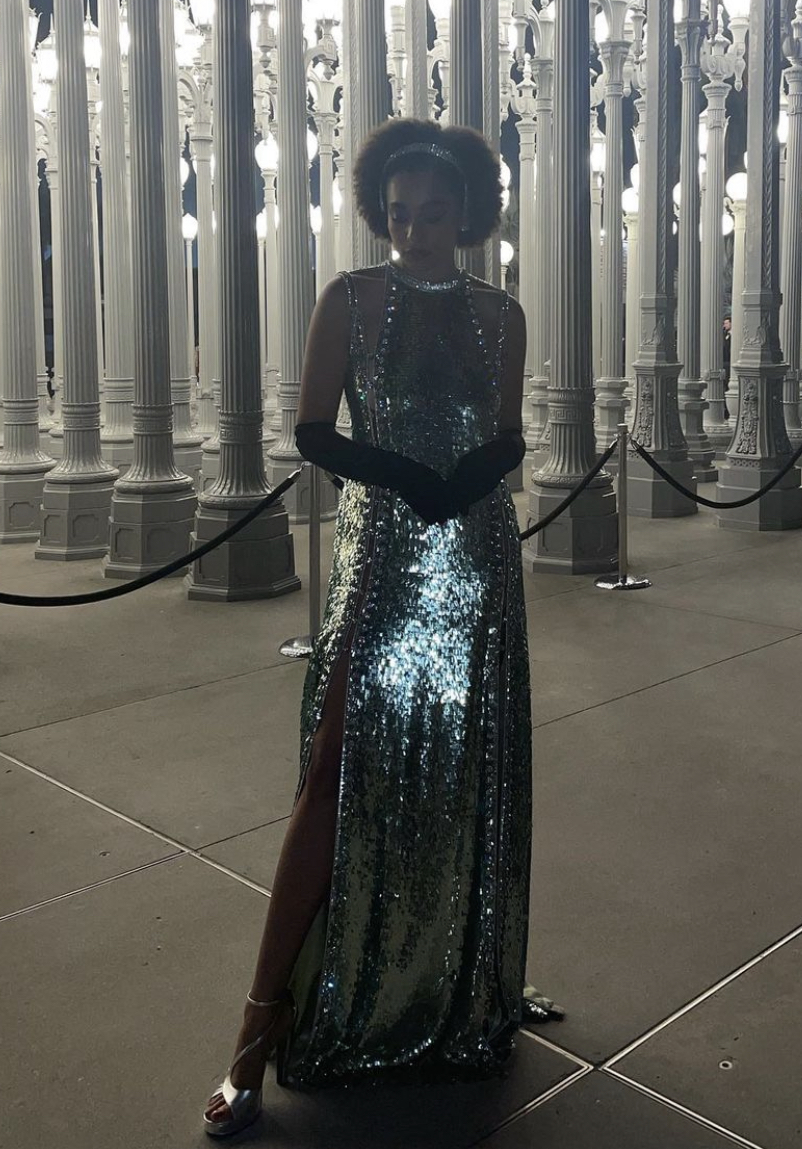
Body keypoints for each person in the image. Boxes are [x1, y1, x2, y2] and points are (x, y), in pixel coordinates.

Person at [202, 116, 562, 1138]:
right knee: (335, 773)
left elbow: (509, 435)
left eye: (432, 214)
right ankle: (255, 1033)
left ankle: (467, 984)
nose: (412, 231)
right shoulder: (349, 298)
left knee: (465, 772)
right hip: (383, 560)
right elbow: (313, 429)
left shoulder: (502, 313)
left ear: (467, 215)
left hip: (475, 561)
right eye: (398, 214)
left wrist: (471, 479)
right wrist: (401, 475)